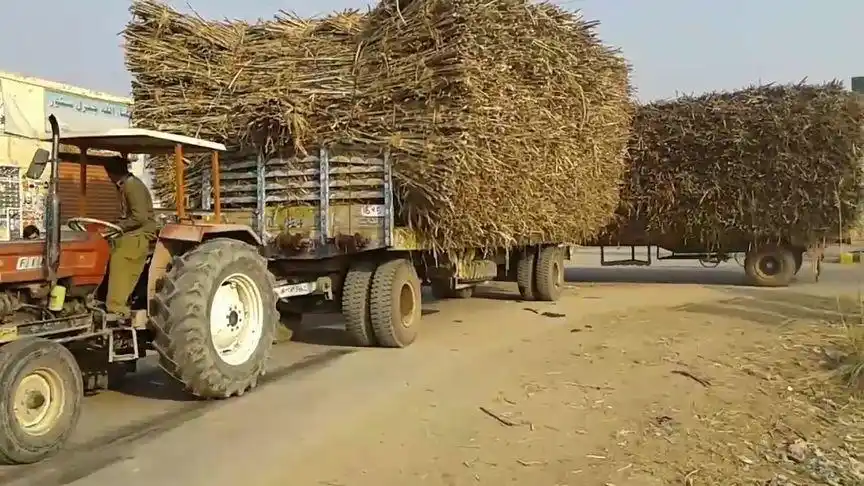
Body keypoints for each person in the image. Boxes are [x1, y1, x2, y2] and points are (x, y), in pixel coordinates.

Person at [104, 157, 158, 321]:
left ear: (111, 173)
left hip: (139, 233)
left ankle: (117, 308)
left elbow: (139, 218)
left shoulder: (132, 186)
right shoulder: (125, 185)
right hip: (131, 231)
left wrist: (118, 227)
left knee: (120, 258)